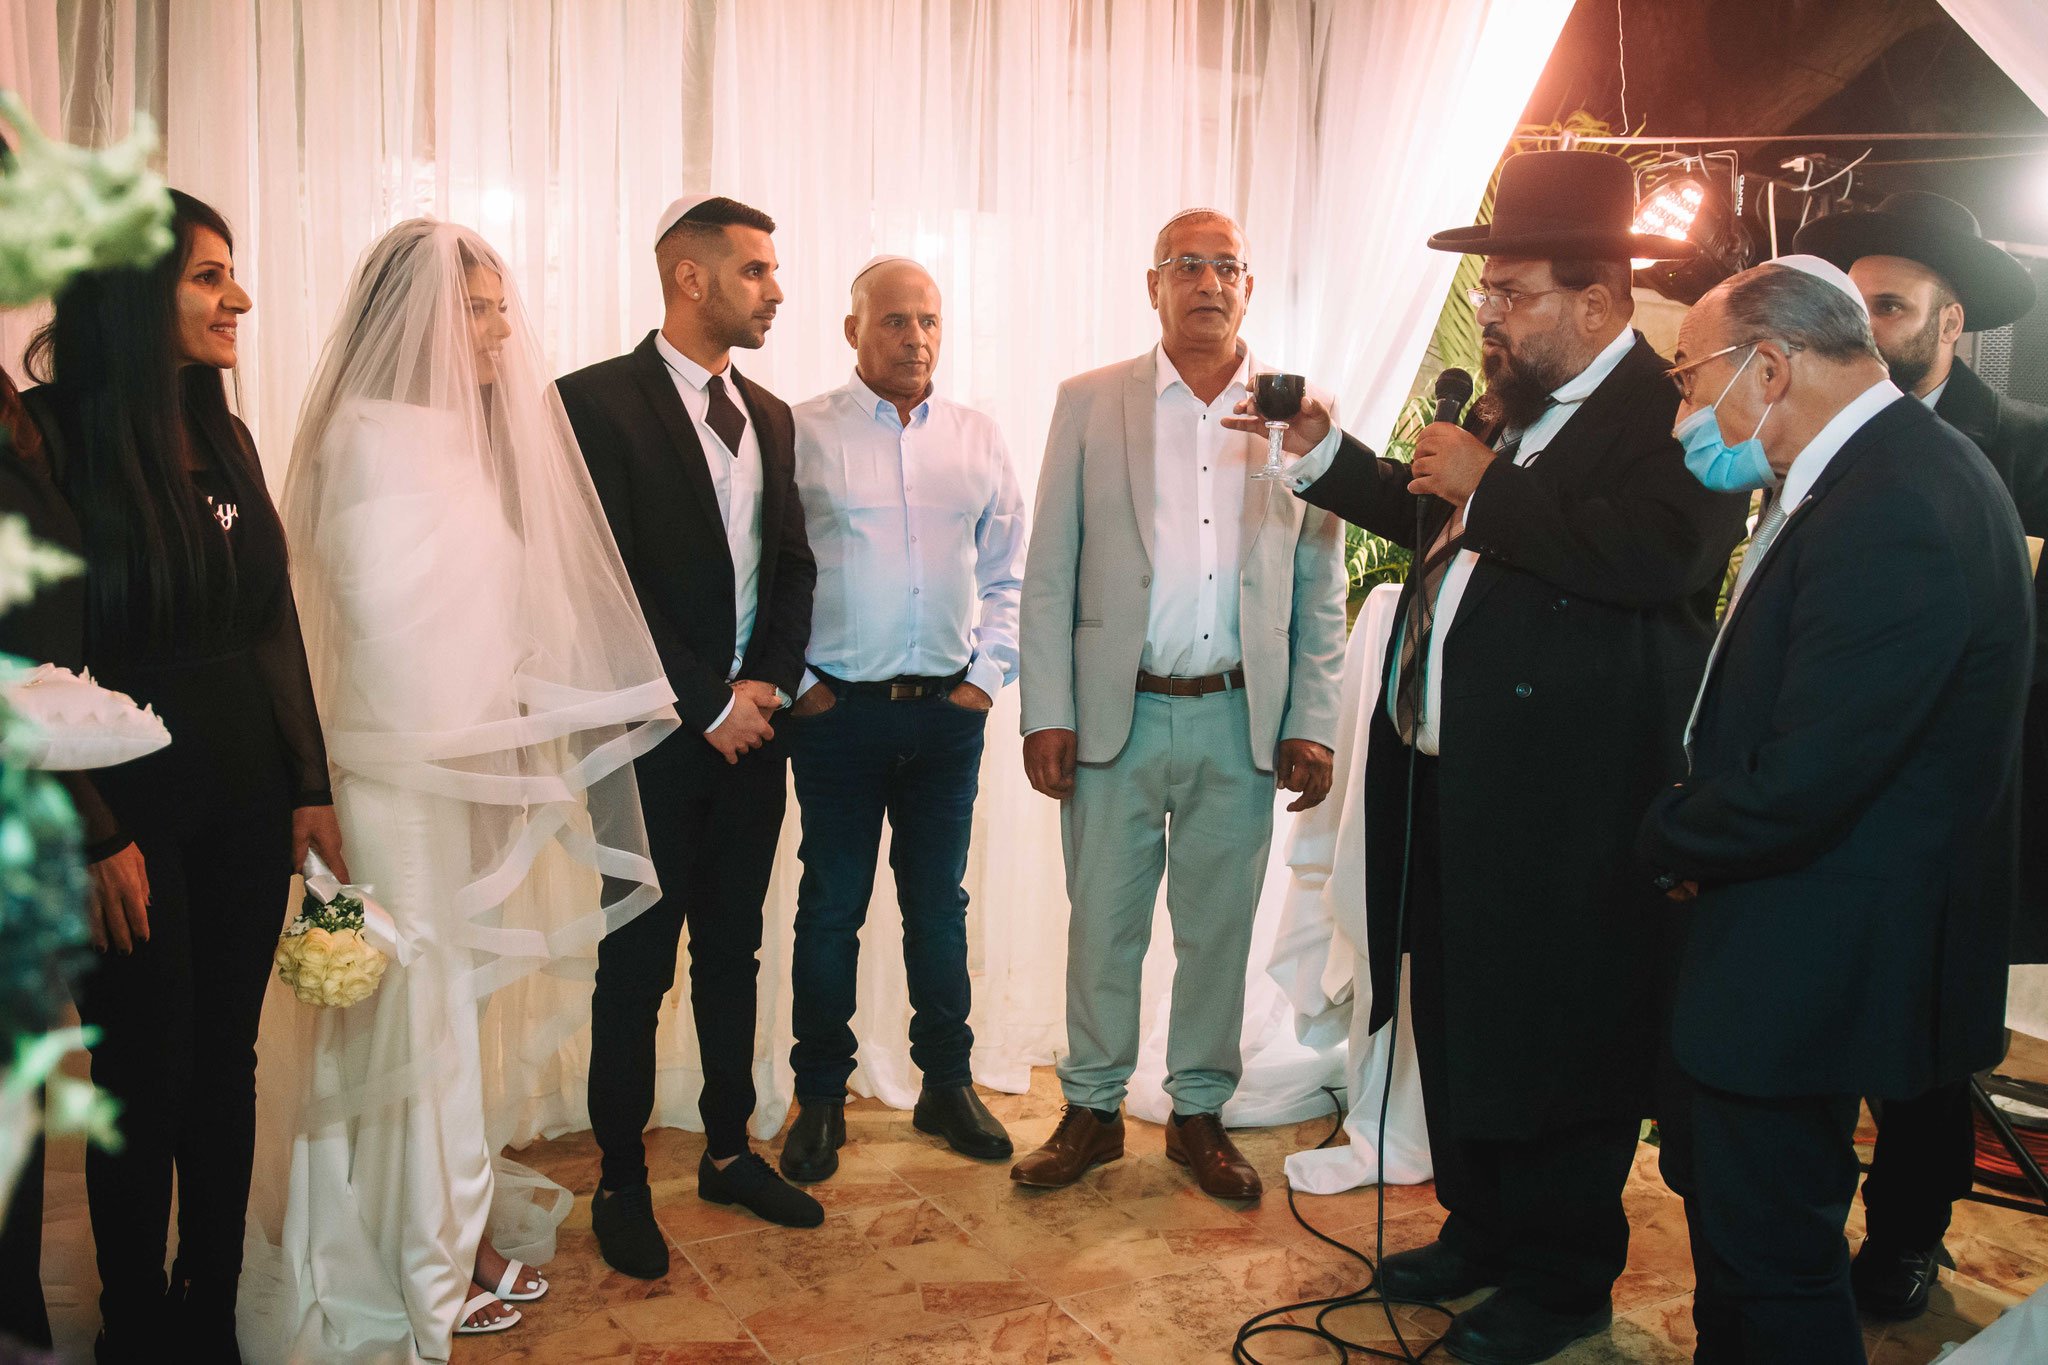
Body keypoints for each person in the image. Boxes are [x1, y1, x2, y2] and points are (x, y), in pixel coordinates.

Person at [1231, 151, 1746, 1363]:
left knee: (1558, 1039)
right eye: (1491, 292)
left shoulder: (1669, 410)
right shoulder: (1512, 407)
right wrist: (1324, 455)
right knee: (1460, 1019)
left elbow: (1662, 557)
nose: (1492, 315)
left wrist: (1490, 490)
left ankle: (1560, 1281)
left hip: (1570, 805)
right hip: (1449, 781)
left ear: (1597, 303)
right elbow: (1438, 516)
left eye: (1513, 293)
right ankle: (1479, 1232)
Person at [237, 220, 678, 1360]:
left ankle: (453, 1224)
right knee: (408, 1012)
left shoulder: (460, 440)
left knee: (448, 1015)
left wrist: (509, 744)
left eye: (497, 309)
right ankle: (405, 1254)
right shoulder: (364, 437)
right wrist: (479, 746)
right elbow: (380, 629)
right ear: (420, 319)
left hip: (457, 769)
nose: (498, 332)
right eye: (476, 310)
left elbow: (488, 613)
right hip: (398, 778)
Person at [1642, 257, 2033, 1363]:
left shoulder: (1894, 500)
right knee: (1749, 1236)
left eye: (1686, 379)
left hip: (1811, 950)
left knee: (1773, 1265)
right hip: (1803, 933)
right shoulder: (1879, 468)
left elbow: (1811, 776)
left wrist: (1667, 832)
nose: (1681, 417)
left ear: (1767, 366)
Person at [19, 190, 347, 1363]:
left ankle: (207, 1306)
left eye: (230, 273)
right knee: (143, 1067)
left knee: (224, 1061)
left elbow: (270, 624)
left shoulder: (225, 433)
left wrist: (310, 784)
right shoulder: (43, 440)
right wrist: (95, 830)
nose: (237, 298)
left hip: (244, 789)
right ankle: (134, 1322)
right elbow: (20, 661)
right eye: (207, 276)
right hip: (120, 805)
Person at [1013, 207, 1346, 1203]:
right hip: (1112, 715)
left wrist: (1310, 720)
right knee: (1101, 925)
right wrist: (1046, 708)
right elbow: (1049, 569)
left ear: (1249, 287)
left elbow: (1318, 583)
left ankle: (1198, 1112)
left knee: (1218, 930)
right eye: (1187, 265)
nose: (1208, 282)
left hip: (1237, 720)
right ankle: (1091, 1108)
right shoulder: (1088, 401)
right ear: (1152, 284)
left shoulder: (1298, 413)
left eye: (1227, 267)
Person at [556, 194, 821, 1271]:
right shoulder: (590, 402)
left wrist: (764, 686)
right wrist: (701, 701)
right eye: (756, 269)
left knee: (733, 951)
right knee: (634, 963)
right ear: (690, 277)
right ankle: (621, 1178)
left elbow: (791, 562)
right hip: (646, 742)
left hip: (756, 735)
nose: (776, 290)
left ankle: (726, 1149)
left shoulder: (773, 415)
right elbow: (595, 579)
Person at [1797, 192, 2048, 1321]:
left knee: (1930, 1024)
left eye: (1888, 307)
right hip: (1828, 783)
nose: (1864, 327)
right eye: (1852, 306)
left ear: (1950, 323)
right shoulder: (1815, 436)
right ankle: (1799, 1223)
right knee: (1822, 1002)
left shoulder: (2028, 444)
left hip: (1964, 791)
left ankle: (1908, 1231)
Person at [777, 255, 1023, 1182]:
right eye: (894, 321)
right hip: (835, 716)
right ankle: (821, 1095)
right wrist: (802, 684)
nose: (915, 338)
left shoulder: (977, 436)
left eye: (928, 321)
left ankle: (946, 1085)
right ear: (853, 330)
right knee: (830, 908)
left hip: (946, 719)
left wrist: (985, 679)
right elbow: (764, 569)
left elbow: (1009, 572)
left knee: (938, 907)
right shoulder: (801, 432)